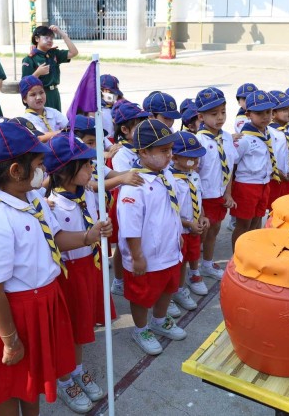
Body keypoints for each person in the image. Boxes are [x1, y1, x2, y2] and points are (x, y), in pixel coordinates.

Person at [0, 121, 112, 416]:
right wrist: (10, 340)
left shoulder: (34, 199)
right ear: (16, 170)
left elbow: (55, 238)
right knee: (9, 384)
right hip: (12, 314)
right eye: (39, 164)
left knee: (33, 381)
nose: (44, 170)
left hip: (43, 302)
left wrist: (88, 235)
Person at [45, 134, 114, 412]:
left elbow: (97, 226)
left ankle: (77, 368)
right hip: (68, 274)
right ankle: (64, 379)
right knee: (67, 329)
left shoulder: (89, 194)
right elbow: (57, 241)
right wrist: (89, 235)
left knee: (82, 325)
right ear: (65, 171)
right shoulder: (51, 204)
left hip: (89, 267)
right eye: (85, 165)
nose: (91, 168)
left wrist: (103, 231)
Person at [118, 119, 185, 355]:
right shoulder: (134, 186)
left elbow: (171, 210)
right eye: (163, 151)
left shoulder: (166, 175)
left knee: (167, 288)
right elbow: (130, 227)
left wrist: (178, 234)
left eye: (170, 150)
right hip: (146, 256)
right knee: (141, 296)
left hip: (169, 250)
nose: (169, 155)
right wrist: (137, 256)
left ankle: (159, 320)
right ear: (144, 152)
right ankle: (141, 329)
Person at [108, 102, 151, 298]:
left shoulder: (143, 146)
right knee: (122, 243)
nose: (144, 129)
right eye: (138, 126)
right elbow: (126, 179)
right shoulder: (121, 153)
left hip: (144, 199)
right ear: (124, 130)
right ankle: (118, 280)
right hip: (126, 202)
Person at [194, 87, 236, 281]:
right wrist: (198, 206)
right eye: (214, 114)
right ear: (200, 117)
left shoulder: (226, 137)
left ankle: (207, 264)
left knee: (215, 230)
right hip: (203, 198)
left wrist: (228, 193)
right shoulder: (197, 141)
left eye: (223, 112)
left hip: (219, 195)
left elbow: (229, 167)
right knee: (200, 235)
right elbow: (193, 175)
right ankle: (194, 271)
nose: (220, 117)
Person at [231, 91, 279, 249]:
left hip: (264, 183)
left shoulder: (267, 133)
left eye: (268, 112)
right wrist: (229, 191)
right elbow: (232, 163)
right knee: (243, 224)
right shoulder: (244, 139)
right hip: (246, 186)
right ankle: (237, 255)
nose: (265, 116)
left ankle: (252, 251)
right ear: (248, 115)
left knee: (258, 219)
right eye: (259, 113)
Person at [169, 131, 210, 313]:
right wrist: (187, 224)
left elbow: (198, 199)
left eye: (197, 157)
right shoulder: (170, 180)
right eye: (190, 158)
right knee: (175, 264)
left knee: (188, 259)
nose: (195, 161)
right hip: (178, 231)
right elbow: (169, 212)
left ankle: (180, 288)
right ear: (175, 158)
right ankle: (170, 293)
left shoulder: (194, 175)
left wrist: (202, 217)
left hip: (193, 229)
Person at [21, 25, 78, 111]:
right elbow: (24, 84)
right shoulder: (30, 59)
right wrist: (37, 73)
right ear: (37, 39)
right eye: (46, 38)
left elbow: (74, 52)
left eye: (51, 38)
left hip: (54, 93)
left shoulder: (54, 53)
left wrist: (63, 34)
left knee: (56, 118)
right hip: (40, 95)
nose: (49, 40)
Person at [266, 90, 289, 209]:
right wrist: (276, 172)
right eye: (285, 109)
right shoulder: (268, 132)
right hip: (273, 178)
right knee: (273, 209)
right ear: (273, 113)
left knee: (286, 208)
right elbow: (266, 157)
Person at [20, 75, 69, 141]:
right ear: (24, 99)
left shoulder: (53, 112)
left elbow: (68, 126)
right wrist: (63, 132)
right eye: (33, 95)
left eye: (41, 93)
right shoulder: (25, 119)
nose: (39, 97)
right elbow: (40, 137)